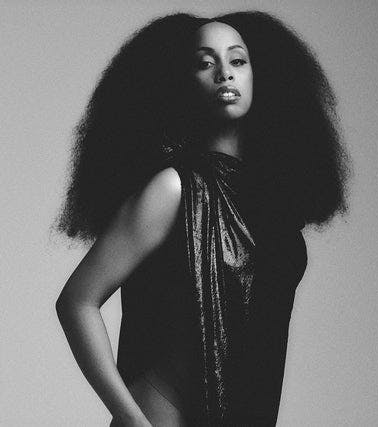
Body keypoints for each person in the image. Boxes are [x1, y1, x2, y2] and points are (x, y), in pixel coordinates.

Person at [54, 11, 350, 427]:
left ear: (261, 77)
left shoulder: (273, 202)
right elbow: (77, 301)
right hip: (164, 413)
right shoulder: (173, 188)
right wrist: (133, 420)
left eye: (237, 60)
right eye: (205, 63)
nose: (224, 73)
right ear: (180, 85)